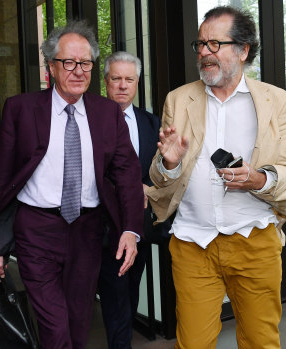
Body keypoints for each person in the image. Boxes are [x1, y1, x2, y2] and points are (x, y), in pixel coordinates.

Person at [146, 6, 286, 349]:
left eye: (214, 44)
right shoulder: (178, 99)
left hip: (255, 240)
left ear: (243, 49)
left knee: (261, 342)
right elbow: (162, 179)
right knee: (192, 344)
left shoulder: (276, 101)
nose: (204, 52)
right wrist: (169, 163)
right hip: (193, 244)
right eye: (200, 44)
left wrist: (257, 180)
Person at [0, 21, 144, 349]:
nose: (78, 71)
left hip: (87, 231)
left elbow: (128, 176)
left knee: (78, 323)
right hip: (36, 231)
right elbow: (2, 179)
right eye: (69, 62)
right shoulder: (20, 109)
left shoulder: (107, 114)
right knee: (55, 328)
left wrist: (131, 230)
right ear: (50, 65)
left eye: (86, 63)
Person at [98, 51, 160, 349]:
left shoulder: (151, 122)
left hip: (139, 227)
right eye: (116, 79)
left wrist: (147, 187)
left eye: (129, 79)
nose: (123, 85)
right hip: (102, 230)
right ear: (106, 82)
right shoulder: (89, 121)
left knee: (130, 293)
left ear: (137, 83)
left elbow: (160, 171)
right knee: (113, 297)